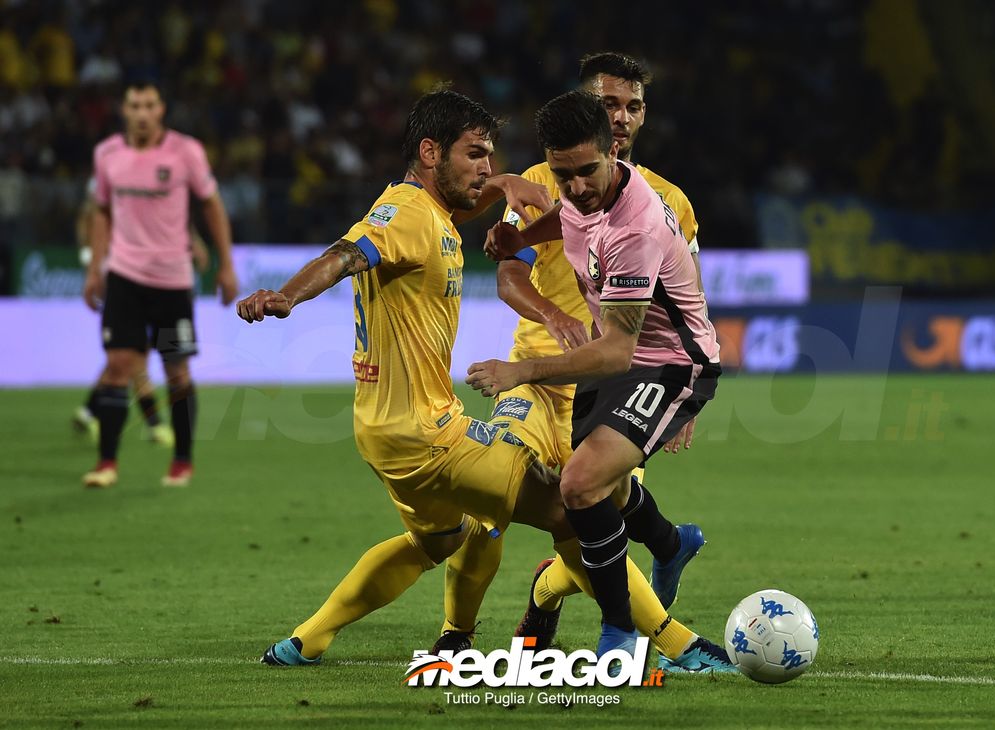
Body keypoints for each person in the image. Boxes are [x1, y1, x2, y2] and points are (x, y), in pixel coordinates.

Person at [237, 88, 731, 672]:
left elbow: (462, 211)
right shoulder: (407, 217)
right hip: (434, 434)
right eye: (475, 155)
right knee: (577, 509)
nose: (487, 168)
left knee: (442, 540)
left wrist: (503, 191)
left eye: (491, 157)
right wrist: (287, 296)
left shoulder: (433, 217)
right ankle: (675, 643)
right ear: (429, 152)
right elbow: (347, 253)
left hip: (381, 433)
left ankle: (310, 639)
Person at [433, 52, 705, 655]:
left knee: (590, 514)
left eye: (633, 105)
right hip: (537, 379)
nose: (623, 117)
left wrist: (684, 400)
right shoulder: (543, 177)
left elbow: (690, 295)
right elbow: (508, 274)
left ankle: (555, 596)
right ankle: (456, 637)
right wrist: (552, 315)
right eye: (609, 104)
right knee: (494, 503)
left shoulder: (669, 201)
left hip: (620, 381)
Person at [81, 81, 237, 489]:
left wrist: (226, 265)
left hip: (172, 282)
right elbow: (100, 213)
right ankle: (106, 463)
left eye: (149, 104)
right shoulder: (107, 154)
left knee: (176, 372)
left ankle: (182, 460)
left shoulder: (186, 152)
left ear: (161, 109)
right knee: (118, 366)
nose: (142, 113)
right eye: (135, 105)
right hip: (124, 278)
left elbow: (212, 206)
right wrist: (95, 269)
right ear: (124, 110)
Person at [73, 179, 211, 448]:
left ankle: (91, 410)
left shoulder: (131, 191)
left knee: (126, 355)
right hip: (127, 278)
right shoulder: (116, 188)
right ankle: (154, 424)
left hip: (136, 276)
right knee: (134, 356)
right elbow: (91, 217)